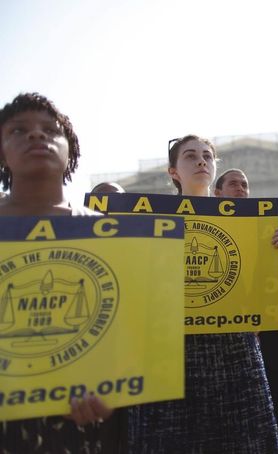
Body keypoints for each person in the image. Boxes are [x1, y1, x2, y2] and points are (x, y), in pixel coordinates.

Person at [127, 135, 278, 453]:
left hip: (235, 348)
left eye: (208, 156)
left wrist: (271, 252)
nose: (201, 161)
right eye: (190, 156)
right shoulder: (154, 220)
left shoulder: (246, 221)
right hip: (176, 352)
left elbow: (256, 286)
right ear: (173, 171)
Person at [0, 93, 124, 453]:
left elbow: (126, 331)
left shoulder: (110, 236)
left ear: (71, 149)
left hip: (82, 425)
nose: (36, 136)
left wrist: (113, 393)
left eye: (50, 130)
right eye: (18, 130)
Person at [214, 168, 278, 454]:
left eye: (245, 184)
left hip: (267, 347)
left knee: (277, 430)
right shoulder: (204, 233)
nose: (241, 188)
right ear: (217, 193)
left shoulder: (268, 233)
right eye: (233, 183)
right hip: (221, 352)